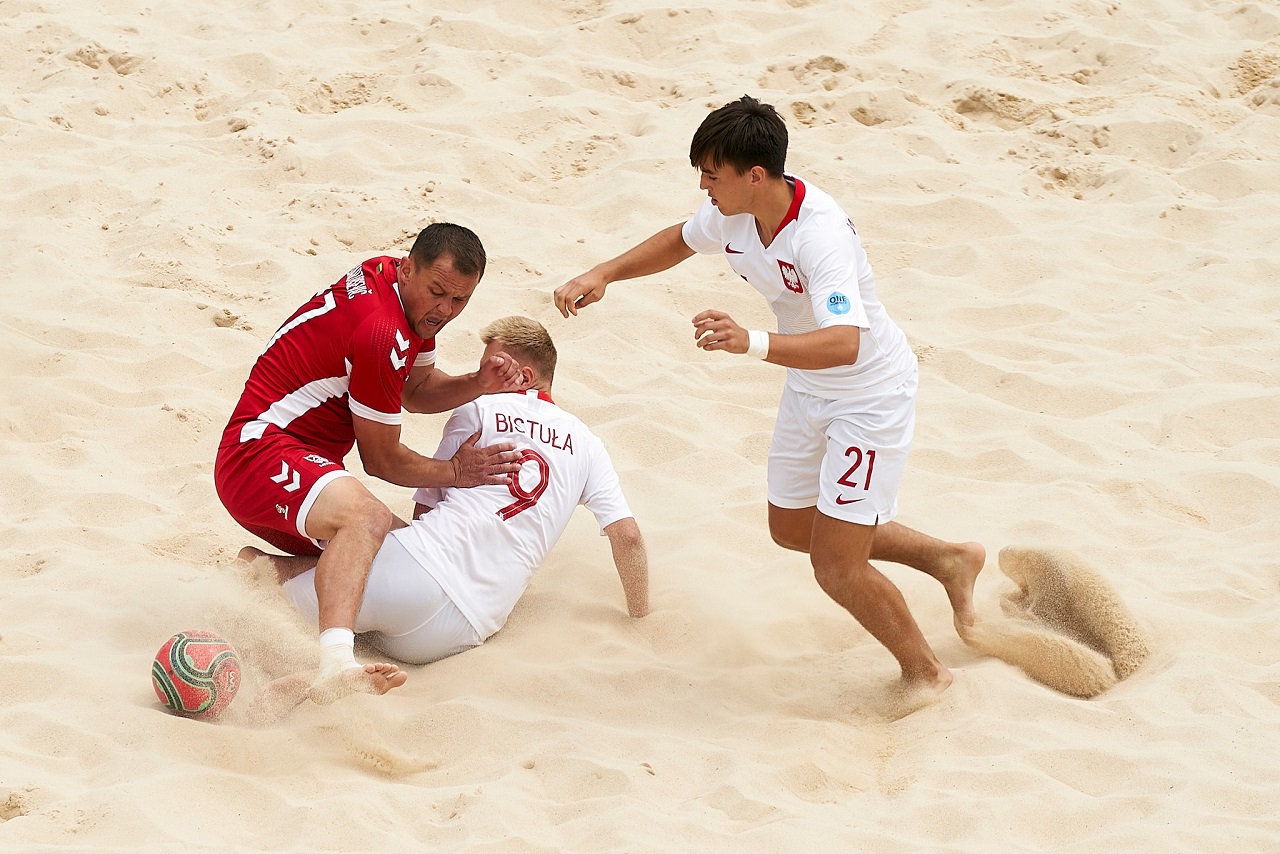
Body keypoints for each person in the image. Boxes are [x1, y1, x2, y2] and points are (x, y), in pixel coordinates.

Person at [553, 95, 985, 695]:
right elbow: (679, 240)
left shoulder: (820, 237)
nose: (703, 186)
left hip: (868, 396)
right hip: (809, 385)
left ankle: (927, 673)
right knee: (790, 527)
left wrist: (750, 342)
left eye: (712, 174)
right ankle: (948, 559)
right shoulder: (735, 214)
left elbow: (845, 343)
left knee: (836, 566)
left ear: (755, 176)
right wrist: (603, 273)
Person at [240, 316, 648, 714]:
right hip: (464, 630)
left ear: (524, 376)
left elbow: (425, 509)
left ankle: (306, 670)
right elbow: (627, 536)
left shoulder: (478, 411)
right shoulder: (589, 444)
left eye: (496, 367)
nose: (483, 377)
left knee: (257, 575)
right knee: (354, 578)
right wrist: (641, 618)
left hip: (415, 578)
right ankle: (328, 659)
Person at [215, 223, 525, 701]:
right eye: (437, 293)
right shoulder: (382, 332)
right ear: (407, 268)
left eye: (459, 301)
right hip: (257, 453)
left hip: (296, 457)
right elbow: (380, 461)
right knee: (369, 517)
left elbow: (416, 392)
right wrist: (457, 473)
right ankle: (336, 663)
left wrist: (476, 382)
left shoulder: (395, 290)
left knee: (405, 558)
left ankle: (259, 573)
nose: (444, 311)